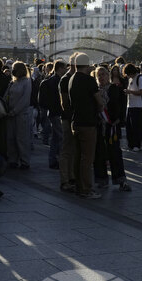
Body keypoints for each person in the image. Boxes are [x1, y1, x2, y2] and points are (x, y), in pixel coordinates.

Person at [68, 53, 101, 199]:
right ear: (87, 65)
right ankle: (86, 189)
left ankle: (78, 186)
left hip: (75, 121)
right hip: (88, 122)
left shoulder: (71, 79)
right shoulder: (89, 80)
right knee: (87, 158)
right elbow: (99, 101)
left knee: (78, 156)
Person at [94, 64, 130, 191]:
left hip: (112, 125)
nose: (101, 77)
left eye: (103, 74)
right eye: (99, 75)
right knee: (99, 153)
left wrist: (119, 119)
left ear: (108, 75)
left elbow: (120, 104)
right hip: (99, 125)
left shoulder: (114, 88)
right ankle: (101, 179)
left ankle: (121, 179)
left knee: (115, 152)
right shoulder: (95, 90)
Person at [5, 61, 33, 169]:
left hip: (21, 115)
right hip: (10, 114)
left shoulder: (27, 82)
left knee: (22, 139)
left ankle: (25, 161)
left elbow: (25, 100)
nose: (13, 70)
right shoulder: (12, 82)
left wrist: (15, 111)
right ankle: (13, 160)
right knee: (11, 138)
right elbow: (6, 96)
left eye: (15, 68)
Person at [40, 60, 67, 170]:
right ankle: (61, 160)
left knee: (56, 138)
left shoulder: (50, 80)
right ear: (60, 68)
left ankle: (53, 160)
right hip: (57, 112)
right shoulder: (58, 81)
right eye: (64, 68)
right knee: (61, 137)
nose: (66, 70)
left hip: (52, 112)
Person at [59, 54, 79, 191]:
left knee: (73, 149)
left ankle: (72, 176)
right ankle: (65, 179)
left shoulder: (73, 78)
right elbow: (64, 102)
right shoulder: (66, 79)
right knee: (67, 149)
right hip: (68, 118)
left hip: (74, 118)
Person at [124, 63, 142, 151]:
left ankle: (136, 144)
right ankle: (130, 143)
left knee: (136, 127)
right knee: (129, 126)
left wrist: (130, 92)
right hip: (130, 105)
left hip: (137, 106)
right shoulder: (130, 79)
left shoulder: (140, 78)